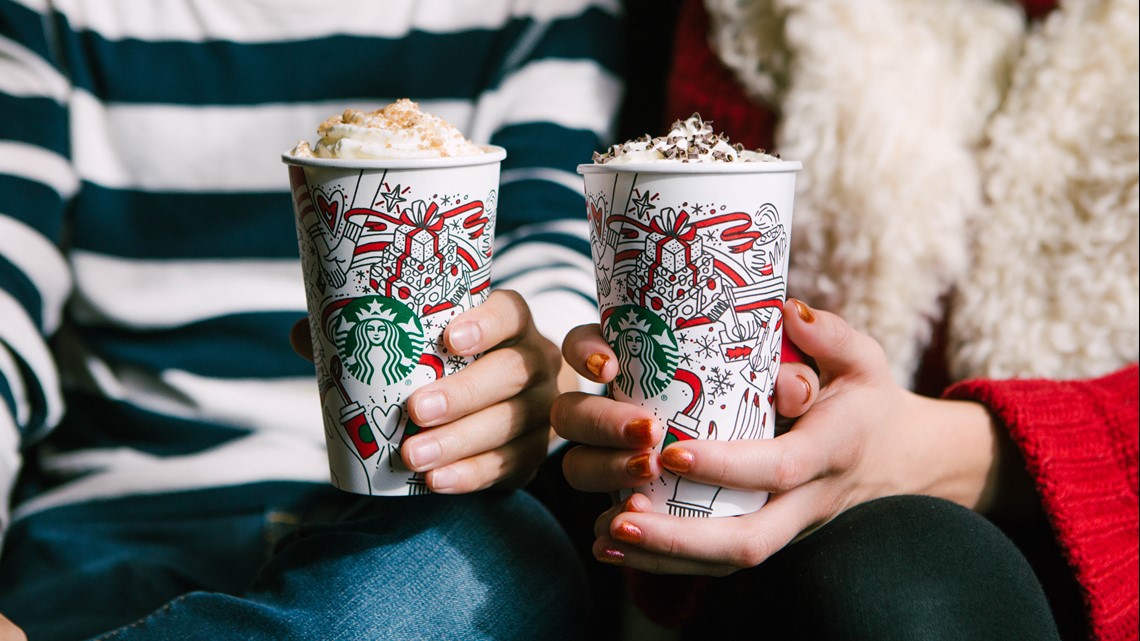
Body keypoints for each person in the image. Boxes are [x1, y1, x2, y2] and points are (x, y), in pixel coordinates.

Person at [0, 1, 624, 639]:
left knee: (475, 579)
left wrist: (534, 373)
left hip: (419, 508)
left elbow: (552, 247)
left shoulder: (542, 9)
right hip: (111, 516)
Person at [552, 0, 1138, 639]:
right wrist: (778, 412)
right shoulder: (764, 14)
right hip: (817, 550)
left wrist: (957, 448)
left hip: (1099, 559)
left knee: (900, 581)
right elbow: (736, 281)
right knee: (889, 577)